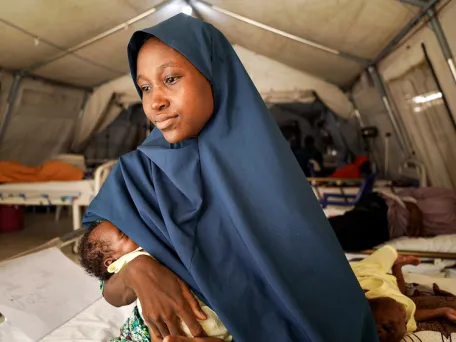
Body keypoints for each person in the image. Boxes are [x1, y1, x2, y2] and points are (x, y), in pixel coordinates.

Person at [82, 14, 378, 342]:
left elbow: (313, 279)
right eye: (145, 87)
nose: (155, 101)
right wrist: (135, 272)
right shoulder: (135, 175)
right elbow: (108, 285)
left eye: (170, 79)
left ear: (213, 74)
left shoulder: (267, 166)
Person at [79, 220, 232, 342]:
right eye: (124, 234)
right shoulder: (126, 261)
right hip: (143, 332)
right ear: (111, 261)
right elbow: (109, 290)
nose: (133, 230)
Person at [352, 245, 456, 341]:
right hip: (392, 289)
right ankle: (398, 266)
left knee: (388, 252)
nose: (404, 313)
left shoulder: (359, 292)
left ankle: (396, 258)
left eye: (399, 311)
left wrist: (391, 253)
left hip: (369, 273)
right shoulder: (399, 317)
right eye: (404, 321)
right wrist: (442, 311)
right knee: (403, 294)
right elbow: (413, 315)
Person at [329, 188, 456, 251]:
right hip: (387, 207)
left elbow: (432, 234)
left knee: (352, 242)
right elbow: (408, 192)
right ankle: (316, 235)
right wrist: (414, 209)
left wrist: (421, 233)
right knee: (351, 224)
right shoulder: (450, 195)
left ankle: (319, 248)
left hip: (390, 228)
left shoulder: (453, 227)